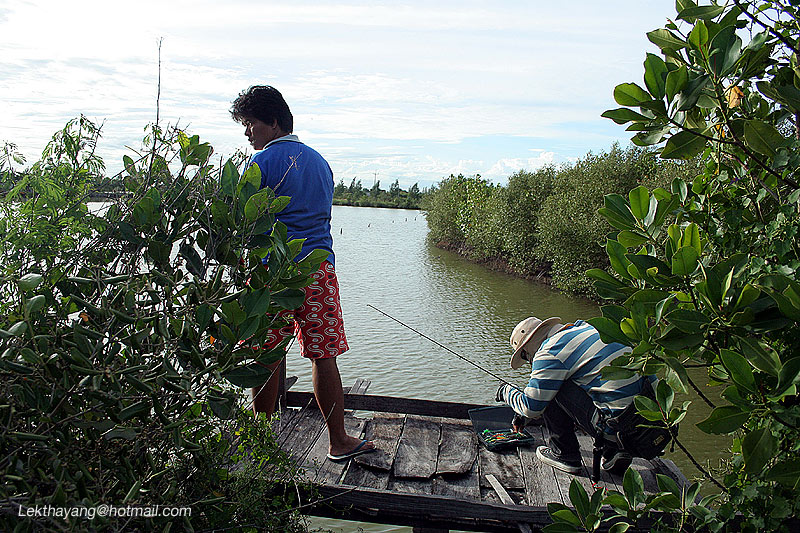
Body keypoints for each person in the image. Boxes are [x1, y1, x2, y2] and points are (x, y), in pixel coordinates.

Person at [230, 85, 374, 462]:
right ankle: (339, 440)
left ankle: (262, 442)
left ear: (273, 122)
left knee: (265, 355)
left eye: (251, 124)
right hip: (317, 271)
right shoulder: (320, 162)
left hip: (270, 274)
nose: (247, 133)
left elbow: (243, 224)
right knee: (323, 356)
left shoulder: (258, 165)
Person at [495, 316, 656, 474]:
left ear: (528, 346)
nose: (529, 361)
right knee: (590, 381)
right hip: (652, 427)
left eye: (524, 356)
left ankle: (565, 455)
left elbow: (531, 408)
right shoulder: (590, 329)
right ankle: (613, 452)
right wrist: (522, 416)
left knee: (554, 384)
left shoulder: (550, 350)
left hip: (621, 431)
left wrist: (506, 391)